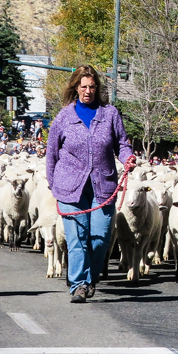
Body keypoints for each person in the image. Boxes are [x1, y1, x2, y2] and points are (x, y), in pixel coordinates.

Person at [45, 66, 135, 303]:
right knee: (76, 239)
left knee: (100, 238)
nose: (88, 91)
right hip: (69, 188)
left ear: (97, 88)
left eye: (92, 86)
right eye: (83, 86)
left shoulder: (110, 114)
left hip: (102, 186)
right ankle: (79, 285)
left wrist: (128, 159)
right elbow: (51, 153)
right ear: (76, 87)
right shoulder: (64, 117)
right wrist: (53, 184)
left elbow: (122, 144)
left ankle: (91, 277)